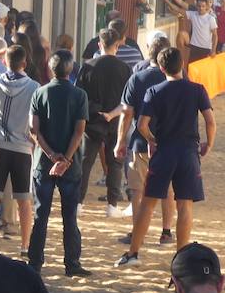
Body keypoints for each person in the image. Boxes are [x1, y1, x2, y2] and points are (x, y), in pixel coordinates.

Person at [116, 47, 215, 266]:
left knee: (148, 203)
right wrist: (209, 142)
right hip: (188, 151)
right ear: (183, 65)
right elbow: (210, 120)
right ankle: (181, 259)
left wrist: (152, 139)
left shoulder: (154, 91)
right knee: (185, 204)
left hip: (164, 151)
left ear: (162, 68)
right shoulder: (197, 89)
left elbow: (142, 125)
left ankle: (133, 253)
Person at [28, 51, 90, 278]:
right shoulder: (79, 95)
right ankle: (72, 263)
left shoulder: (39, 93)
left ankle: (35, 263)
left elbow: (34, 131)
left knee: (40, 214)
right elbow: (79, 131)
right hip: (70, 166)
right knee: (69, 216)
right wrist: (66, 158)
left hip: (43, 163)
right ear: (71, 68)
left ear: (50, 69)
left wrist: (52, 155)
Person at [116, 33, 176, 248]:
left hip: (141, 141)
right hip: (168, 142)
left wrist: (120, 140)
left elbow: (127, 113)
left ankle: (137, 233)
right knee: (167, 189)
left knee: (137, 190)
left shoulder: (137, 78)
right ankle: (166, 232)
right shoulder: (176, 80)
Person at [0, 44, 38, 254]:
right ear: (24, 63)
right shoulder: (34, 87)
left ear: (5, 62)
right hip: (22, 148)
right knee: (24, 201)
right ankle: (25, 245)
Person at [76, 28, 132, 218]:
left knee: (85, 162)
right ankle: (112, 205)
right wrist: (113, 113)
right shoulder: (125, 69)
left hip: (92, 119)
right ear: (117, 46)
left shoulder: (88, 66)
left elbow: (79, 95)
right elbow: (127, 100)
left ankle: (78, 203)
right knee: (115, 162)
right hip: (116, 119)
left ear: (99, 45)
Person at [185, 0, 217, 64]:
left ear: (206, 7)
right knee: (191, 69)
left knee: (204, 72)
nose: (201, 8)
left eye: (203, 6)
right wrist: (168, 2)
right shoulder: (193, 14)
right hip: (194, 47)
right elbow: (179, 10)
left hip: (206, 49)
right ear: (196, 6)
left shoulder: (211, 18)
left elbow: (215, 35)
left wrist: (213, 50)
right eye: (199, 6)